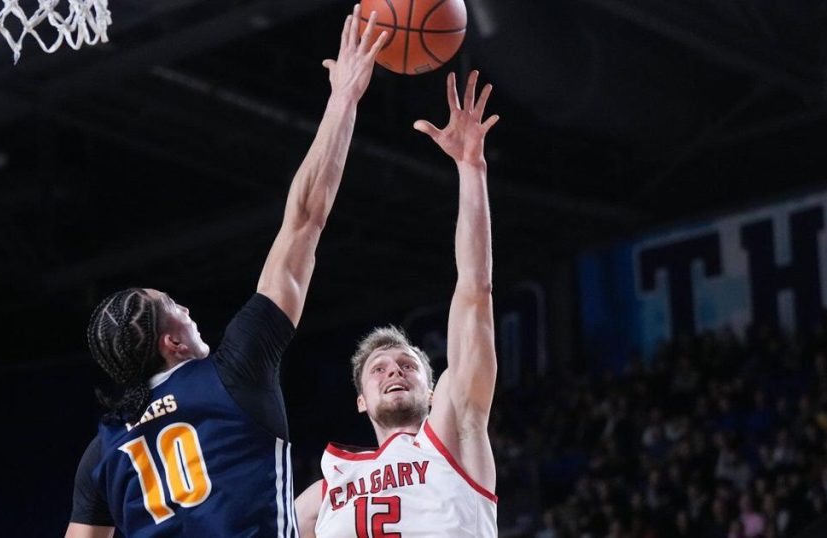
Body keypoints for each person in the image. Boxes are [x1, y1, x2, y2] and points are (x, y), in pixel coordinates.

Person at [65, 7, 388, 537]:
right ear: (171, 342)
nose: (190, 311)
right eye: (177, 306)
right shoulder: (235, 368)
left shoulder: (103, 447)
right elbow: (305, 219)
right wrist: (344, 98)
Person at [295, 71, 501, 537]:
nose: (394, 371)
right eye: (380, 369)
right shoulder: (327, 487)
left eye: (407, 364)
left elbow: (474, 290)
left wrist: (472, 169)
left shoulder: (452, 433)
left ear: (433, 391)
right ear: (361, 402)